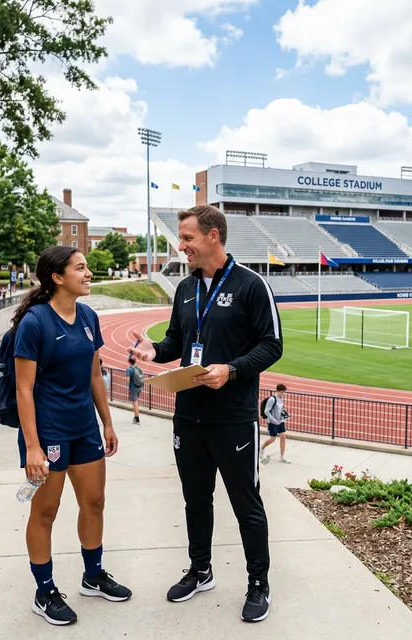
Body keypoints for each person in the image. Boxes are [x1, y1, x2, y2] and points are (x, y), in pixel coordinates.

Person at [129, 204, 282, 623]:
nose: (182, 246)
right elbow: (176, 341)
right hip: (188, 416)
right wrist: (153, 352)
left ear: (213, 236)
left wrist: (230, 370)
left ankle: (258, 583)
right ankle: (200, 570)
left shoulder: (252, 286)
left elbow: (272, 345)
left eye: (188, 238)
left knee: (245, 503)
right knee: (196, 501)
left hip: (233, 417)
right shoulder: (186, 288)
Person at [13, 245, 130, 627]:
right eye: (81, 268)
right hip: (48, 433)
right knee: (45, 511)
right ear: (57, 277)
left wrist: (107, 422)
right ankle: (44, 591)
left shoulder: (88, 316)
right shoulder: (35, 323)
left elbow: (95, 374)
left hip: (85, 428)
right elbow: (23, 390)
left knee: (94, 502)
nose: (89, 273)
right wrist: (32, 446)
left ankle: (92, 576)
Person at [260, 384, 290, 464]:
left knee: (283, 436)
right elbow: (266, 411)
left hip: (281, 421)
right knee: (272, 439)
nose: (283, 394)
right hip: (273, 422)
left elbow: (281, 408)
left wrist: (285, 415)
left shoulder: (282, 398)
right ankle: (262, 448)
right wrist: (273, 420)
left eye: (284, 392)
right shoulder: (272, 399)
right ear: (278, 391)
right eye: (282, 392)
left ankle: (282, 457)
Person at [125, 356, 143, 424]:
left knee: (135, 403)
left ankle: (137, 418)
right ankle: (136, 416)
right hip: (139, 386)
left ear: (129, 362)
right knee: (136, 401)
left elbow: (128, 380)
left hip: (133, 388)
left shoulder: (129, 369)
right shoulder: (138, 368)